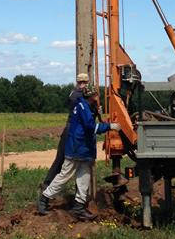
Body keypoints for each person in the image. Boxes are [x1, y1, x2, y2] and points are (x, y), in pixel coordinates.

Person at [38, 83, 119, 221]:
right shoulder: (83, 107)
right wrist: (110, 126)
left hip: (83, 150)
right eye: (97, 94)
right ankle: (44, 199)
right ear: (93, 96)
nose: (98, 97)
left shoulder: (84, 106)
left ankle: (78, 208)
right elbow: (90, 126)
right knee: (65, 176)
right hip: (77, 149)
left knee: (84, 179)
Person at [40, 73, 87, 191]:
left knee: (82, 163)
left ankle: (80, 194)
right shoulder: (75, 94)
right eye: (80, 83)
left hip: (81, 132)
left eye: (84, 83)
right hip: (70, 130)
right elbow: (76, 101)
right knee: (61, 159)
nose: (82, 85)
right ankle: (46, 186)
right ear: (77, 83)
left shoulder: (84, 95)